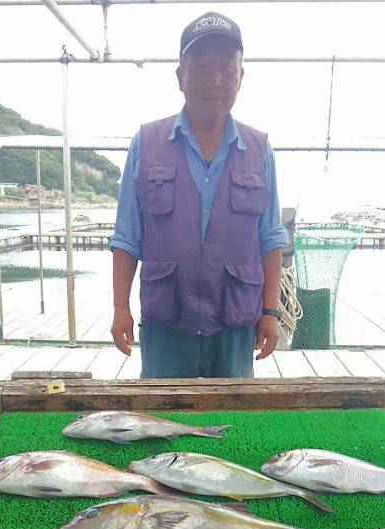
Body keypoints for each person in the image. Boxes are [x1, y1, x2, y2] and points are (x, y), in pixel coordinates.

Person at [110, 12, 289, 378]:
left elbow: (270, 239)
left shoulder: (259, 149)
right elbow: (127, 237)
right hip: (166, 326)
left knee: (234, 426)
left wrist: (270, 313)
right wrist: (119, 307)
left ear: (241, 77)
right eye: (202, 66)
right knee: (162, 424)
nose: (215, 80)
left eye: (227, 67)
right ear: (181, 77)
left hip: (236, 326)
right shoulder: (147, 143)